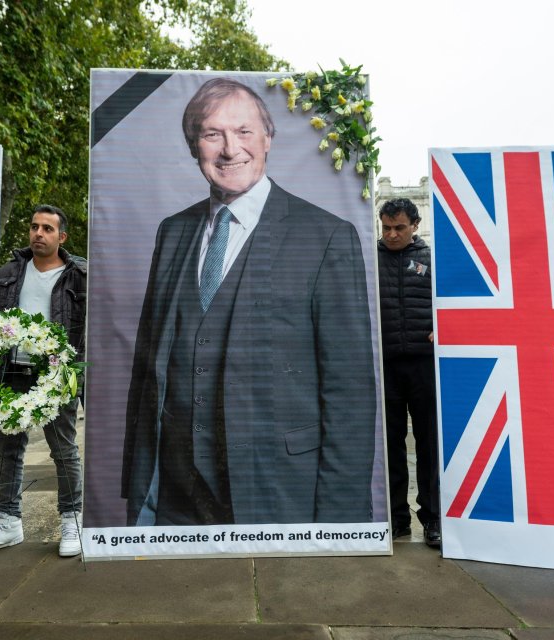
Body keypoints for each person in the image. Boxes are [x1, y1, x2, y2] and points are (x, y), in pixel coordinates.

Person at [121, 77, 376, 527]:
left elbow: (350, 392)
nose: (229, 148)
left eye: (244, 132)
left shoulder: (326, 236)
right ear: (193, 145)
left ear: (268, 139)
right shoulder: (173, 231)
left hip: (276, 488)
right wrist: (139, 482)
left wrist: (343, 520)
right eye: (212, 133)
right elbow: (148, 371)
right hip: (174, 496)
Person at [0, 205, 88, 556]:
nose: (38, 234)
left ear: (62, 237)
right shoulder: (8, 273)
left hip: (58, 373)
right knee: (9, 449)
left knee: (63, 449)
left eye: (47, 228)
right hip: (15, 369)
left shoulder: (81, 276)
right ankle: (8, 522)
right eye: (34, 227)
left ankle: (71, 520)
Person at [377, 198, 441, 549]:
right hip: (385, 366)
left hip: (424, 366)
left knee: (429, 445)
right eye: (386, 227)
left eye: (399, 227)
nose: (392, 234)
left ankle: (433, 519)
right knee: (390, 446)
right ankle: (395, 520)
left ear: (414, 225)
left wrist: (441, 325)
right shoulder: (370, 258)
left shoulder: (432, 259)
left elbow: (450, 303)